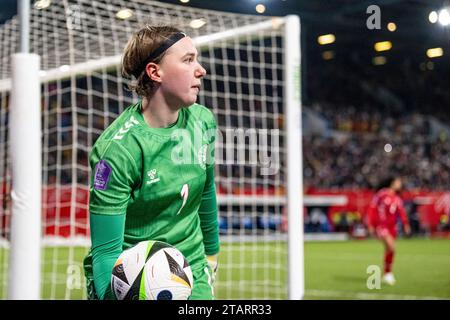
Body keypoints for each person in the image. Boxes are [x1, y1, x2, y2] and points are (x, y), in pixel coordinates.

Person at [83, 25, 220, 300]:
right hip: (126, 278)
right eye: (188, 59)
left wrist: (212, 254)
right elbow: (106, 253)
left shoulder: (203, 120)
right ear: (155, 72)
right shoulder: (118, 150)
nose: (201, 69)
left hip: (188, 268)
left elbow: (206, 190)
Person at [367, 176, 411, 285]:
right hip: (382, 226)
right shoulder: (381, 194)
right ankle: (388, 274)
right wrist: (370, 224)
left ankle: (386, 274)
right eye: (398, 182)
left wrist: (406, 224)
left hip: (393, 227)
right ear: (392, 183)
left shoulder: (397, 198)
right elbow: (372, 208)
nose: (400, 184)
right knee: (392, 248)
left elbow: (401, 212)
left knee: (389, 250)